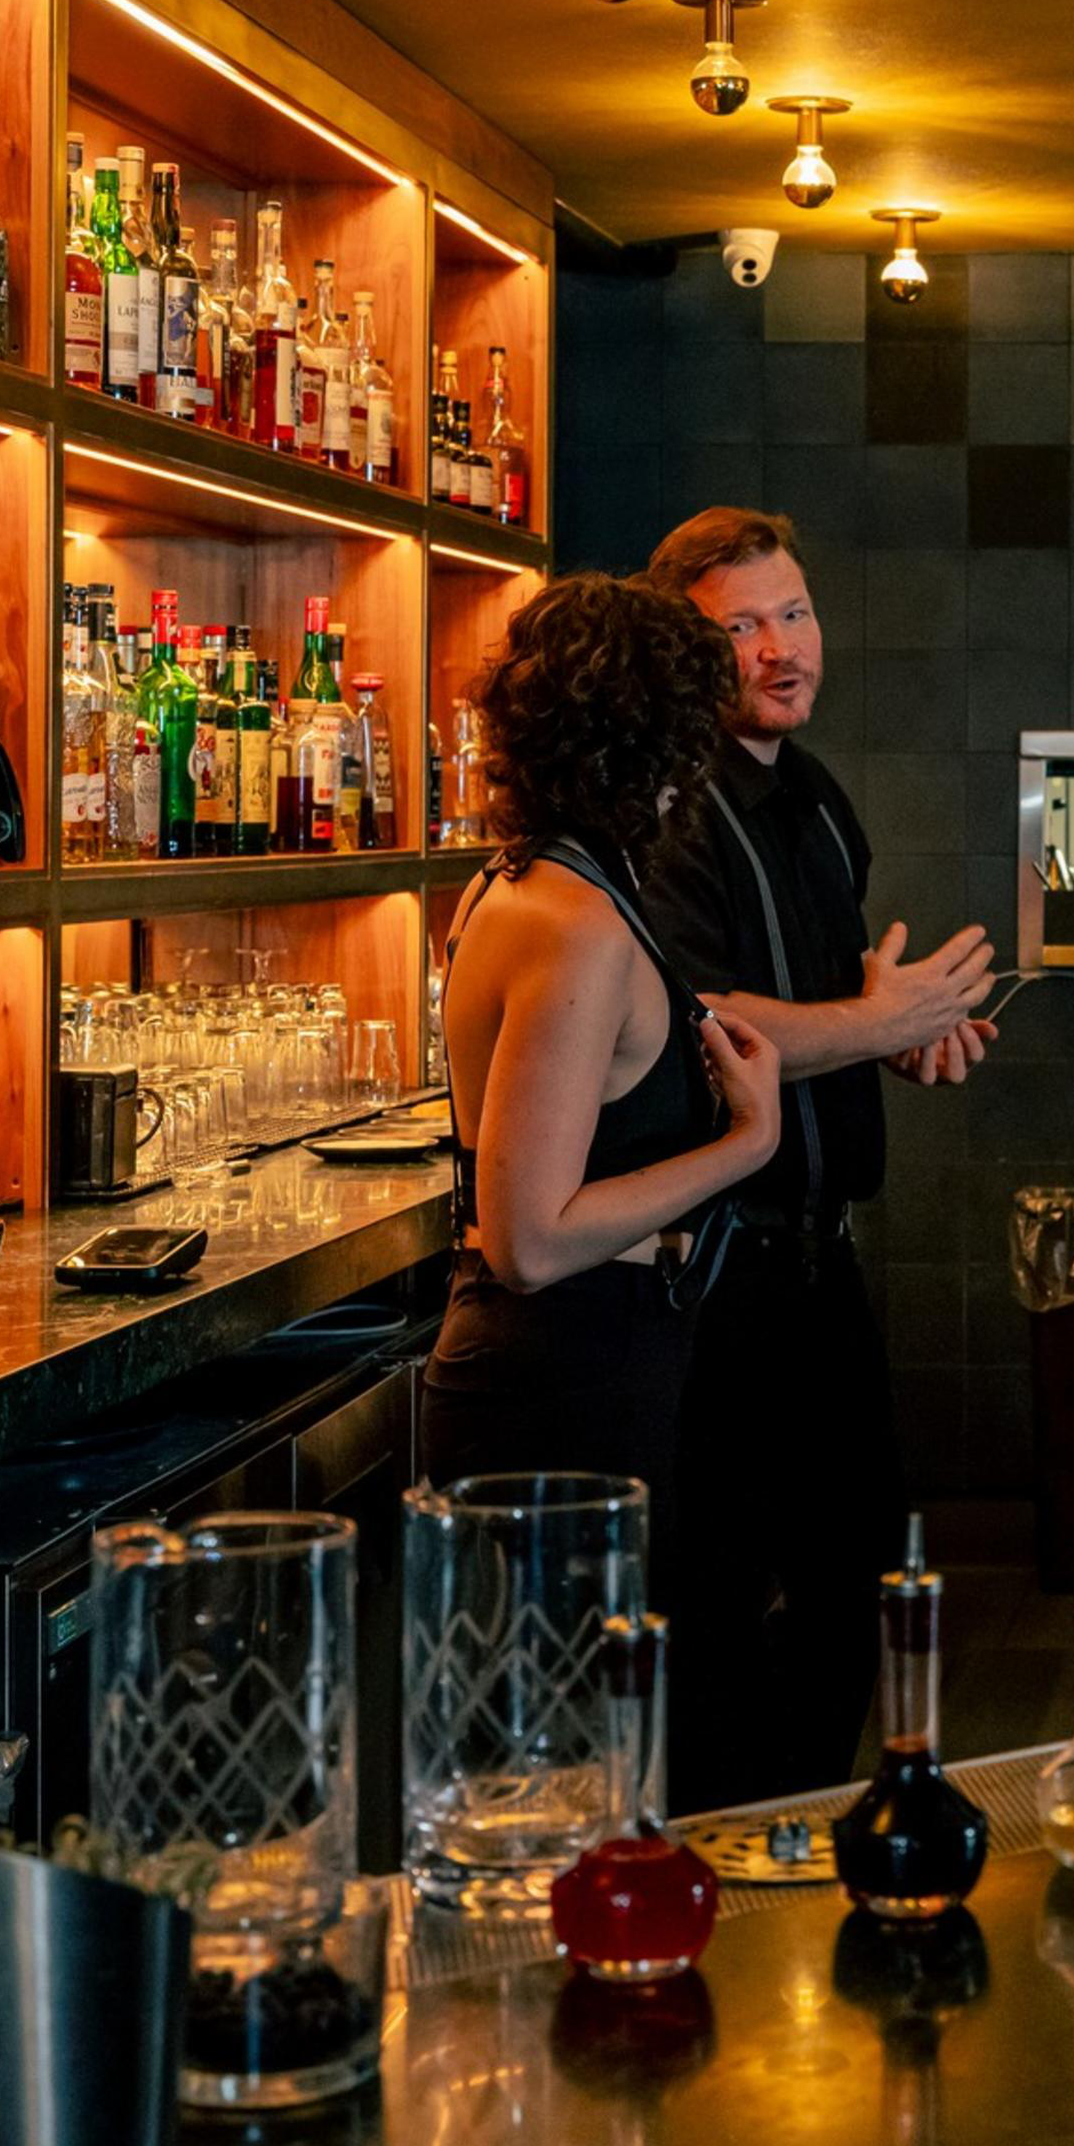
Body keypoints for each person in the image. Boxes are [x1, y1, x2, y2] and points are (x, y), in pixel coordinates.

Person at [636, 507, 997, 1810]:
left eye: (792, 612)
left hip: (817, 1272)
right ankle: (732, 1892)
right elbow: (691, 1025)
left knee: (861, 1599)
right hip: (708, 1286)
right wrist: (872, 1020)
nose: (781, 648)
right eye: (742, 626)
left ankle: (786, 1865)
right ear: (682, 652)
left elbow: (819, 1004)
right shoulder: (667, 811)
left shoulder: (815, 798)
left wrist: (894, 1035)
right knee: (729, 1635)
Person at [422, 574, 785, 1635]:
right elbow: (530, 1241)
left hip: (576, 1367)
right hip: (559, 1379)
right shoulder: (574, 919)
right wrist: (746, 1138)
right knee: (567, 1757)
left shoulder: (523, 879)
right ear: (655, 742)